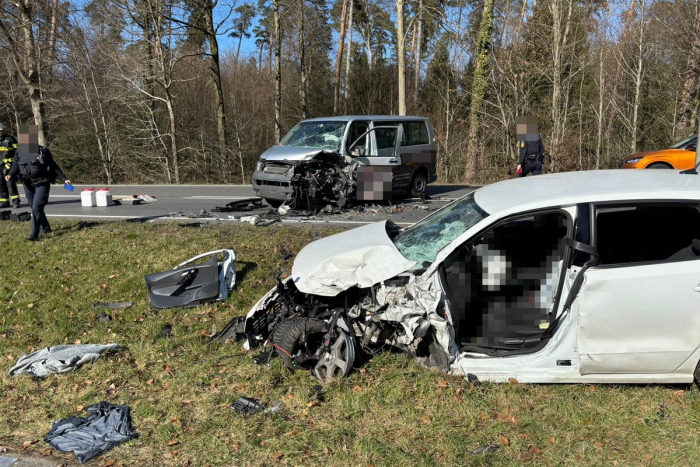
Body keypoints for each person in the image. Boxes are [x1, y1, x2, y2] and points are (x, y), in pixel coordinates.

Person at [5, 125, 72, 241]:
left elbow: (54, 166)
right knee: (35, 207)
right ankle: (45, 228)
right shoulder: (19, 152)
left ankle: (34, 234)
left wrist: (64, 179)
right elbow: (16, 165)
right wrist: (10, 174)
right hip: (27, 183)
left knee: (36, 208)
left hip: (42, 182)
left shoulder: (42, 151)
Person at [0, 123, 20, 208]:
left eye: (0, 131)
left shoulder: (10, 139)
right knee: (0, 184)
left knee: (10, 183)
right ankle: (4, 202)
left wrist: (11, 164)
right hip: (0, 166)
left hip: (9, 165)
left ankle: (16, 202)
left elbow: (18, 152)